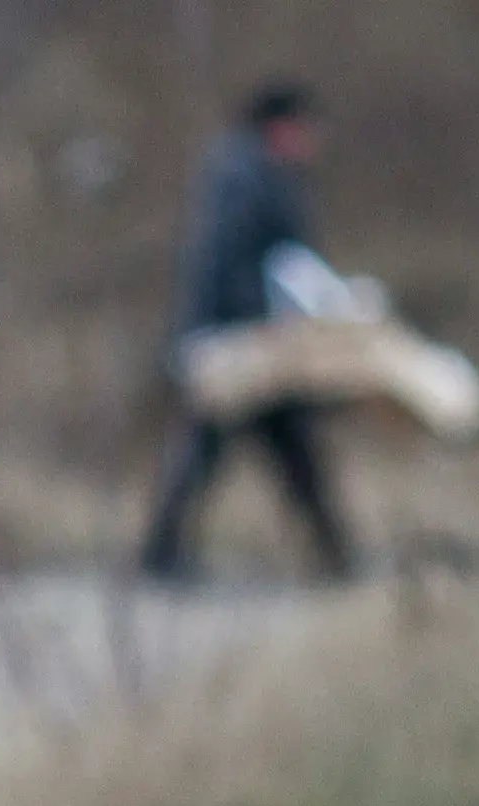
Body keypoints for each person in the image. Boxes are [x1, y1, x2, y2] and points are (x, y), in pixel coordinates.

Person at [138, 80, 354, 583]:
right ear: (281, 127)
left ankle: (334, 554)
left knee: (281, 446)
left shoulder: (268, 175)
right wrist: (259, 322)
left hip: (260, 339)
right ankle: (162, 556)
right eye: (306, 129)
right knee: (222, 445)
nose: (312, 142)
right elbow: (224, 263)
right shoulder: (241, 177)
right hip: (236, 341)